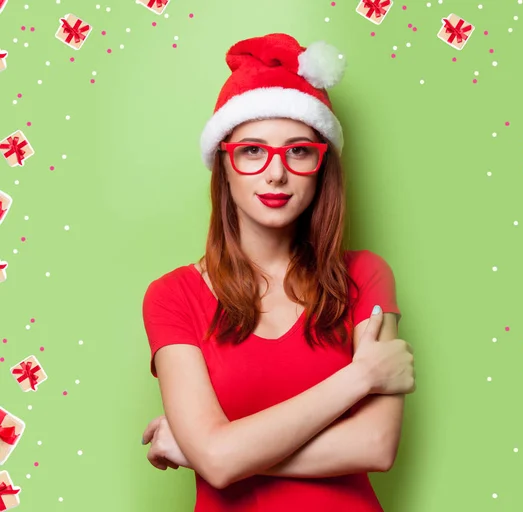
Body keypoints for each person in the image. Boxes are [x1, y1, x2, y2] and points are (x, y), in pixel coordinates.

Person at [140, 32, 416, 512]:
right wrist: (359, 378)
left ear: (321, 166)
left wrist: (207, 451)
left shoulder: (366, 275)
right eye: (252, 151)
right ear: (223, 165)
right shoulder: (172, 295)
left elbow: (376, 446)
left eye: (299, 151)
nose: (275, 174)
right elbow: (220, 462)